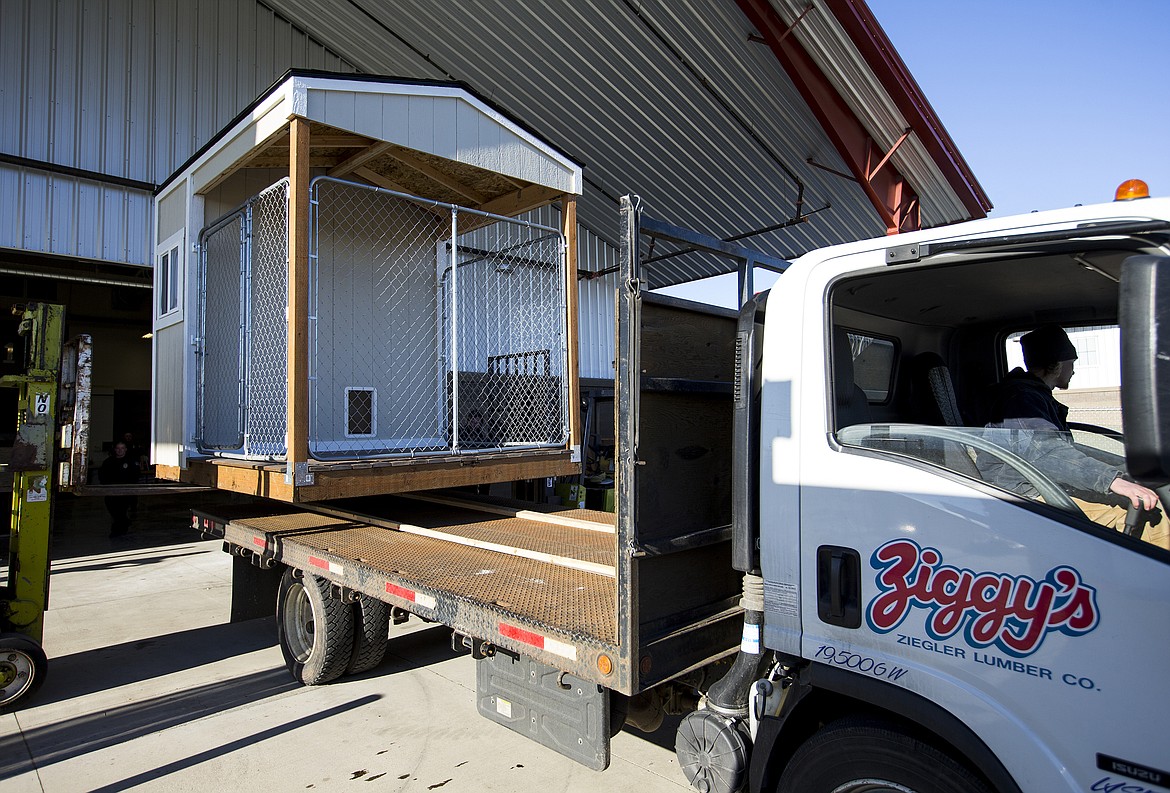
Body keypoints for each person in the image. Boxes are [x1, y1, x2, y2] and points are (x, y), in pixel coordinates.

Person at [979, 324, 1168, 549]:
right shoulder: (1023, 399)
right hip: (1026, 491)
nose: (1074, 370)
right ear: (1057, 366)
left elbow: (1059, 450)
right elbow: (1045, 451)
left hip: (1039, 481)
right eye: (1072, 363)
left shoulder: (1031, 395)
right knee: (1150, 518)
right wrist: (1112, 480)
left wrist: (1125, 470)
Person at [99, 440, 140, 537]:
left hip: (125, 492)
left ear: (125, 449)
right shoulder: (108, 462)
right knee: (113, 510)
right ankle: (123, 524)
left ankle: (118, 530)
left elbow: (136, 476)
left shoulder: (131, 461)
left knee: (121, 511)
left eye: (122, 448)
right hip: (111, 492)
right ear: (115, 449)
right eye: (118, 448)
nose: (120, 451)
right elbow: (102, 475)